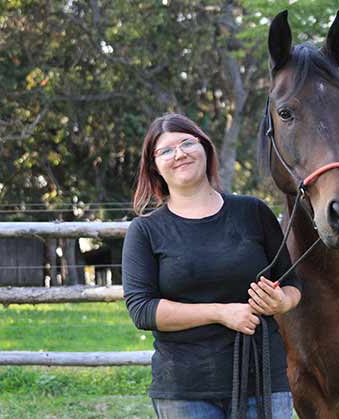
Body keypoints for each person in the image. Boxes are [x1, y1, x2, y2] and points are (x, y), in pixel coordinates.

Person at [122, 113, 302, 419]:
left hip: (262, 380)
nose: (179, 154)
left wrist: (281, 301)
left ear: (205, 148)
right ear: (154, 166)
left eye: (186, 143)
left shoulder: (253, 212)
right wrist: (221, 312)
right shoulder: (145, 231)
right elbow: (142, 309)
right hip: (186, 389)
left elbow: (293, 284)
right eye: (165, 150)